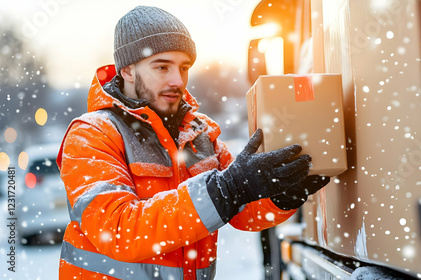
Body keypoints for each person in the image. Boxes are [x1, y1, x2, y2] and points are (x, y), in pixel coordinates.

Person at [57, 6, 330, 280]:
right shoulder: (92, 134)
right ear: (127, 70)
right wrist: (228, 188)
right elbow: (118, 231)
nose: (177, 80)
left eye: (184, 67)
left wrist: (282, 195)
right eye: (162, 66)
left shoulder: (199, 133)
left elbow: (243, 211)